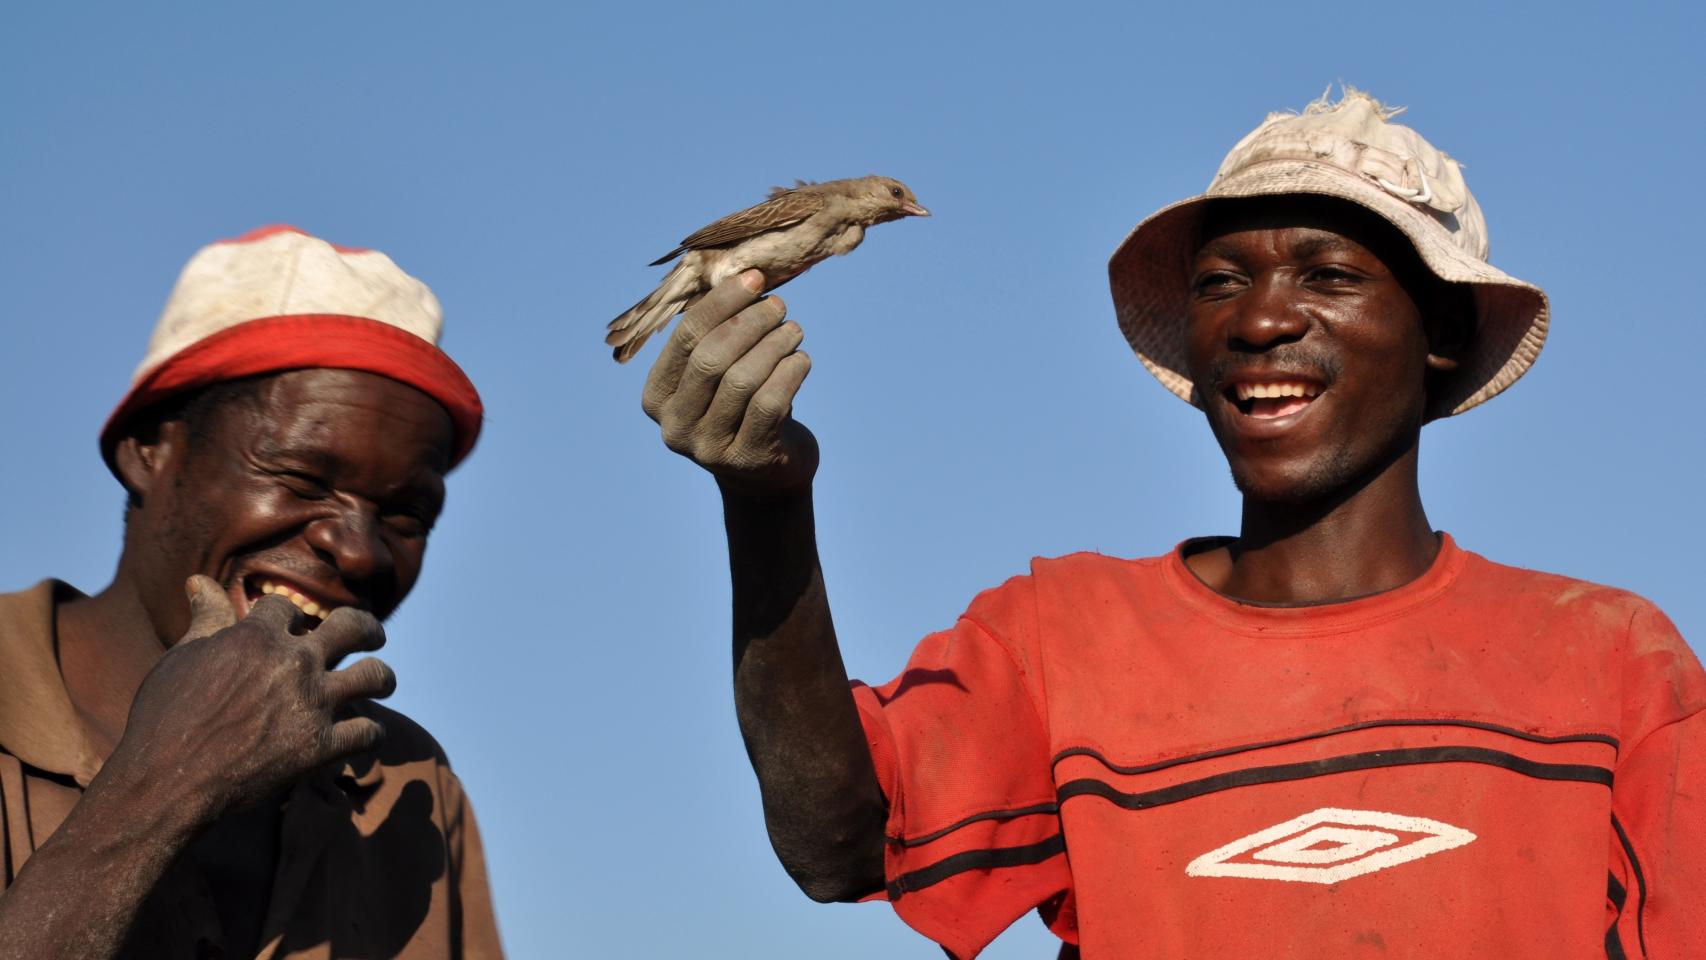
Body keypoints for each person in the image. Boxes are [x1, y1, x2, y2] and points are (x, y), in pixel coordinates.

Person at [635, 90, 1704, 957]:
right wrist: (765, 505)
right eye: (1218, 282)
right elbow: (839, 845)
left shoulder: (1606, 660)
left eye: (1326, 275)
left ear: (1439, 333)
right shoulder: (1061, 638)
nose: (1259, 317)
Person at [0, 225, 503, 959]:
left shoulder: (407, 786)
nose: (359, 550)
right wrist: (167, 784)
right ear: (148, 450)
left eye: (405, 513)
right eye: (300, 478)